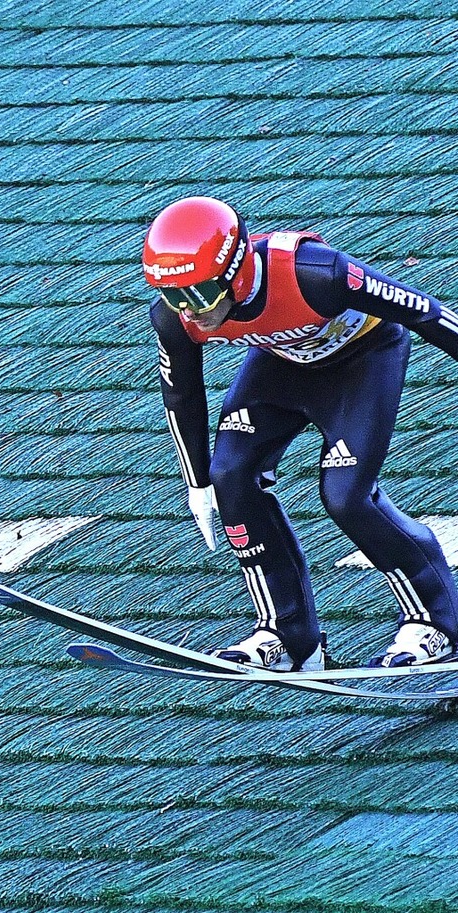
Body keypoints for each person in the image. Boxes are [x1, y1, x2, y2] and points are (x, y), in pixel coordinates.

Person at [142, 195, 458, 671]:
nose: (191, 313)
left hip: (362, 361)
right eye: (175, 296)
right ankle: (288, 637)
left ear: (235, 272)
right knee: (229, 475)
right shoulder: (175, 318)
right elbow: (182, 394)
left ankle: (437, 623)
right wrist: (198, 484)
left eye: (201, 295)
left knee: (347, 496)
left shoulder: (314, 273)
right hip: (283, 364)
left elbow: (423, 312)